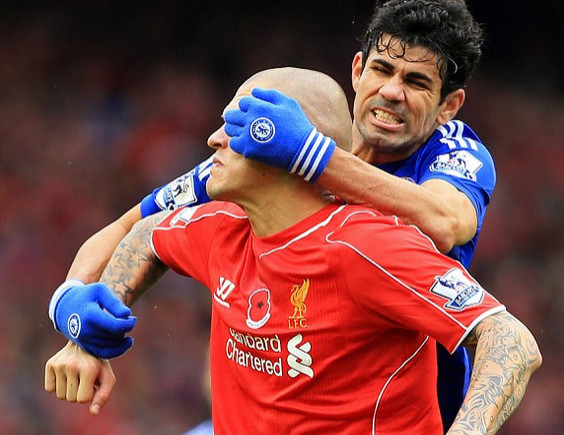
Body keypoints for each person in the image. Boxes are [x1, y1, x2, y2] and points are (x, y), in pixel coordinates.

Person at [49, 0, 494, 430]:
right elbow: (132, 227)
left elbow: (447, 222)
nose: (392, 92)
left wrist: (310, 155)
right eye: (382, 69)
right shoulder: (275, 148)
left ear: (448, 106)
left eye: (417, 82)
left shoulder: (448, 151)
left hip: (406, 412)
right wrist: (72, 309)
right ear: (358, 70)